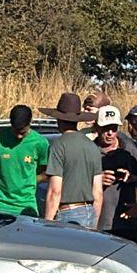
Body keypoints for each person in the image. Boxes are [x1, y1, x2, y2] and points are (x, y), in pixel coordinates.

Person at [0, 105, 49, 217]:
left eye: (22, 133)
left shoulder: (40, 143)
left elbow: (45, 174)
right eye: (16, 131)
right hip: (0, 206)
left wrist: (28, 180)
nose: (19, 136)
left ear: (30, 123)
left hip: (27, 208)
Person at [40, 93, 103, 227]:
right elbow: (97, 192)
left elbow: (55, 191)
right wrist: (95, 222)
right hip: (89, 211)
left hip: (67, 213)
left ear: (59, 120)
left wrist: (47, 223)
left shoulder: (58, 146)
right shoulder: (92, 146)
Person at [94, 106, 137, 243]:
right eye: (105, 128)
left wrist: (131, 178)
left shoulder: (130, 150)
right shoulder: (90, 151)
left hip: (126, 221)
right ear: (97, 128)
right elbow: (79, 183)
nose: (110, 133)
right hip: (100, 222)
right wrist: (98, 180)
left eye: (114, 128)